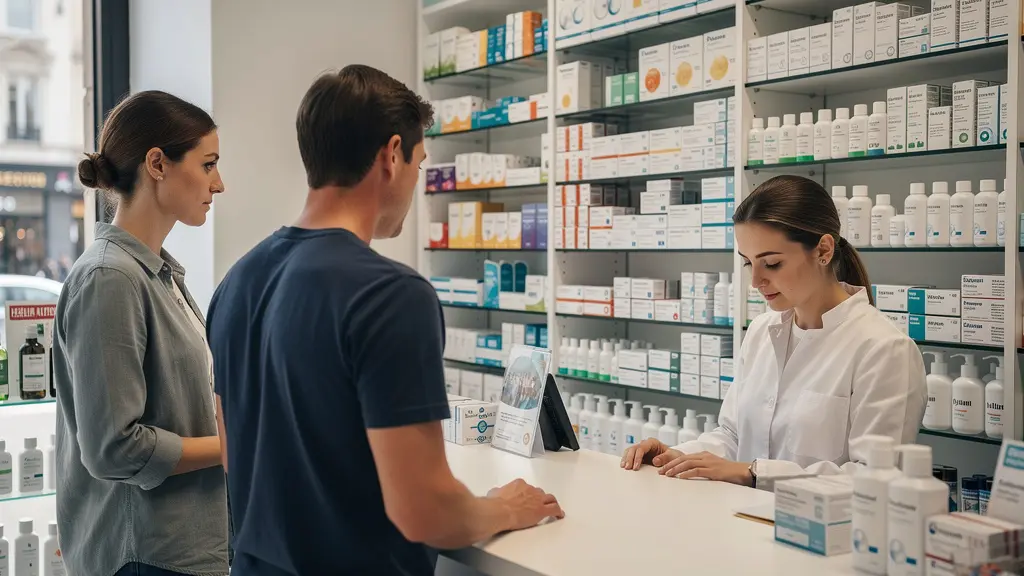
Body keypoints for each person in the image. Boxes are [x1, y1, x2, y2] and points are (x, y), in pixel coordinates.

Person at [207, 65, 563, 576]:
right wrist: (503, 508)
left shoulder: (237, 282)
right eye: (420, 163)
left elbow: (234, 456)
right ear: (392, 155)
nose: (417, 182)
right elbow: (425, 512)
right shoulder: (390, 295)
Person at [622, 175, 927, 489]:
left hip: (823, 521)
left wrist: (754, 473)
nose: (756, 281)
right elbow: (732, 435)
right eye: (748, 263)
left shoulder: (884, 349)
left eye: (771, 263)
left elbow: (875, 480)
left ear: (823, 250)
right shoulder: (761, 330)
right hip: (742, 514)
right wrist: (676, 456)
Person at [52, 90, 228, 576]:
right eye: (208, 164)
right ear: (157, 164)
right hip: (144, 556)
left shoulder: (157, 275)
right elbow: (115, 448)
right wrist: (234, 445)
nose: (219, 184)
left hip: (178, 549)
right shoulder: (110, 279)